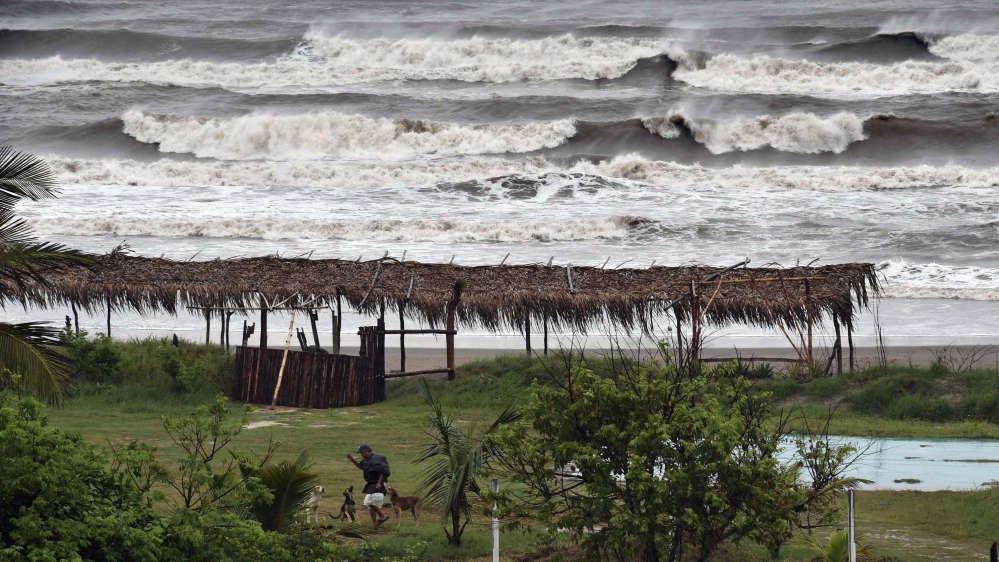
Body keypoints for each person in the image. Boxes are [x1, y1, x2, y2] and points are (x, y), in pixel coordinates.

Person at [347, 444, 391, 526]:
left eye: (361, 453)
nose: (361, 455)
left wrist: (379, 482)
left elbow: (382, 471)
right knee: (368, 502)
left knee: (374, 501)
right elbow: (361, 466)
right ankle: (375, 523)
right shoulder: (365, 459)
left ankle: (382, 516)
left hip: (378, 481)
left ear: (366, 451)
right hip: (371, 482)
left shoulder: (377, 458)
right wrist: (352, 460)